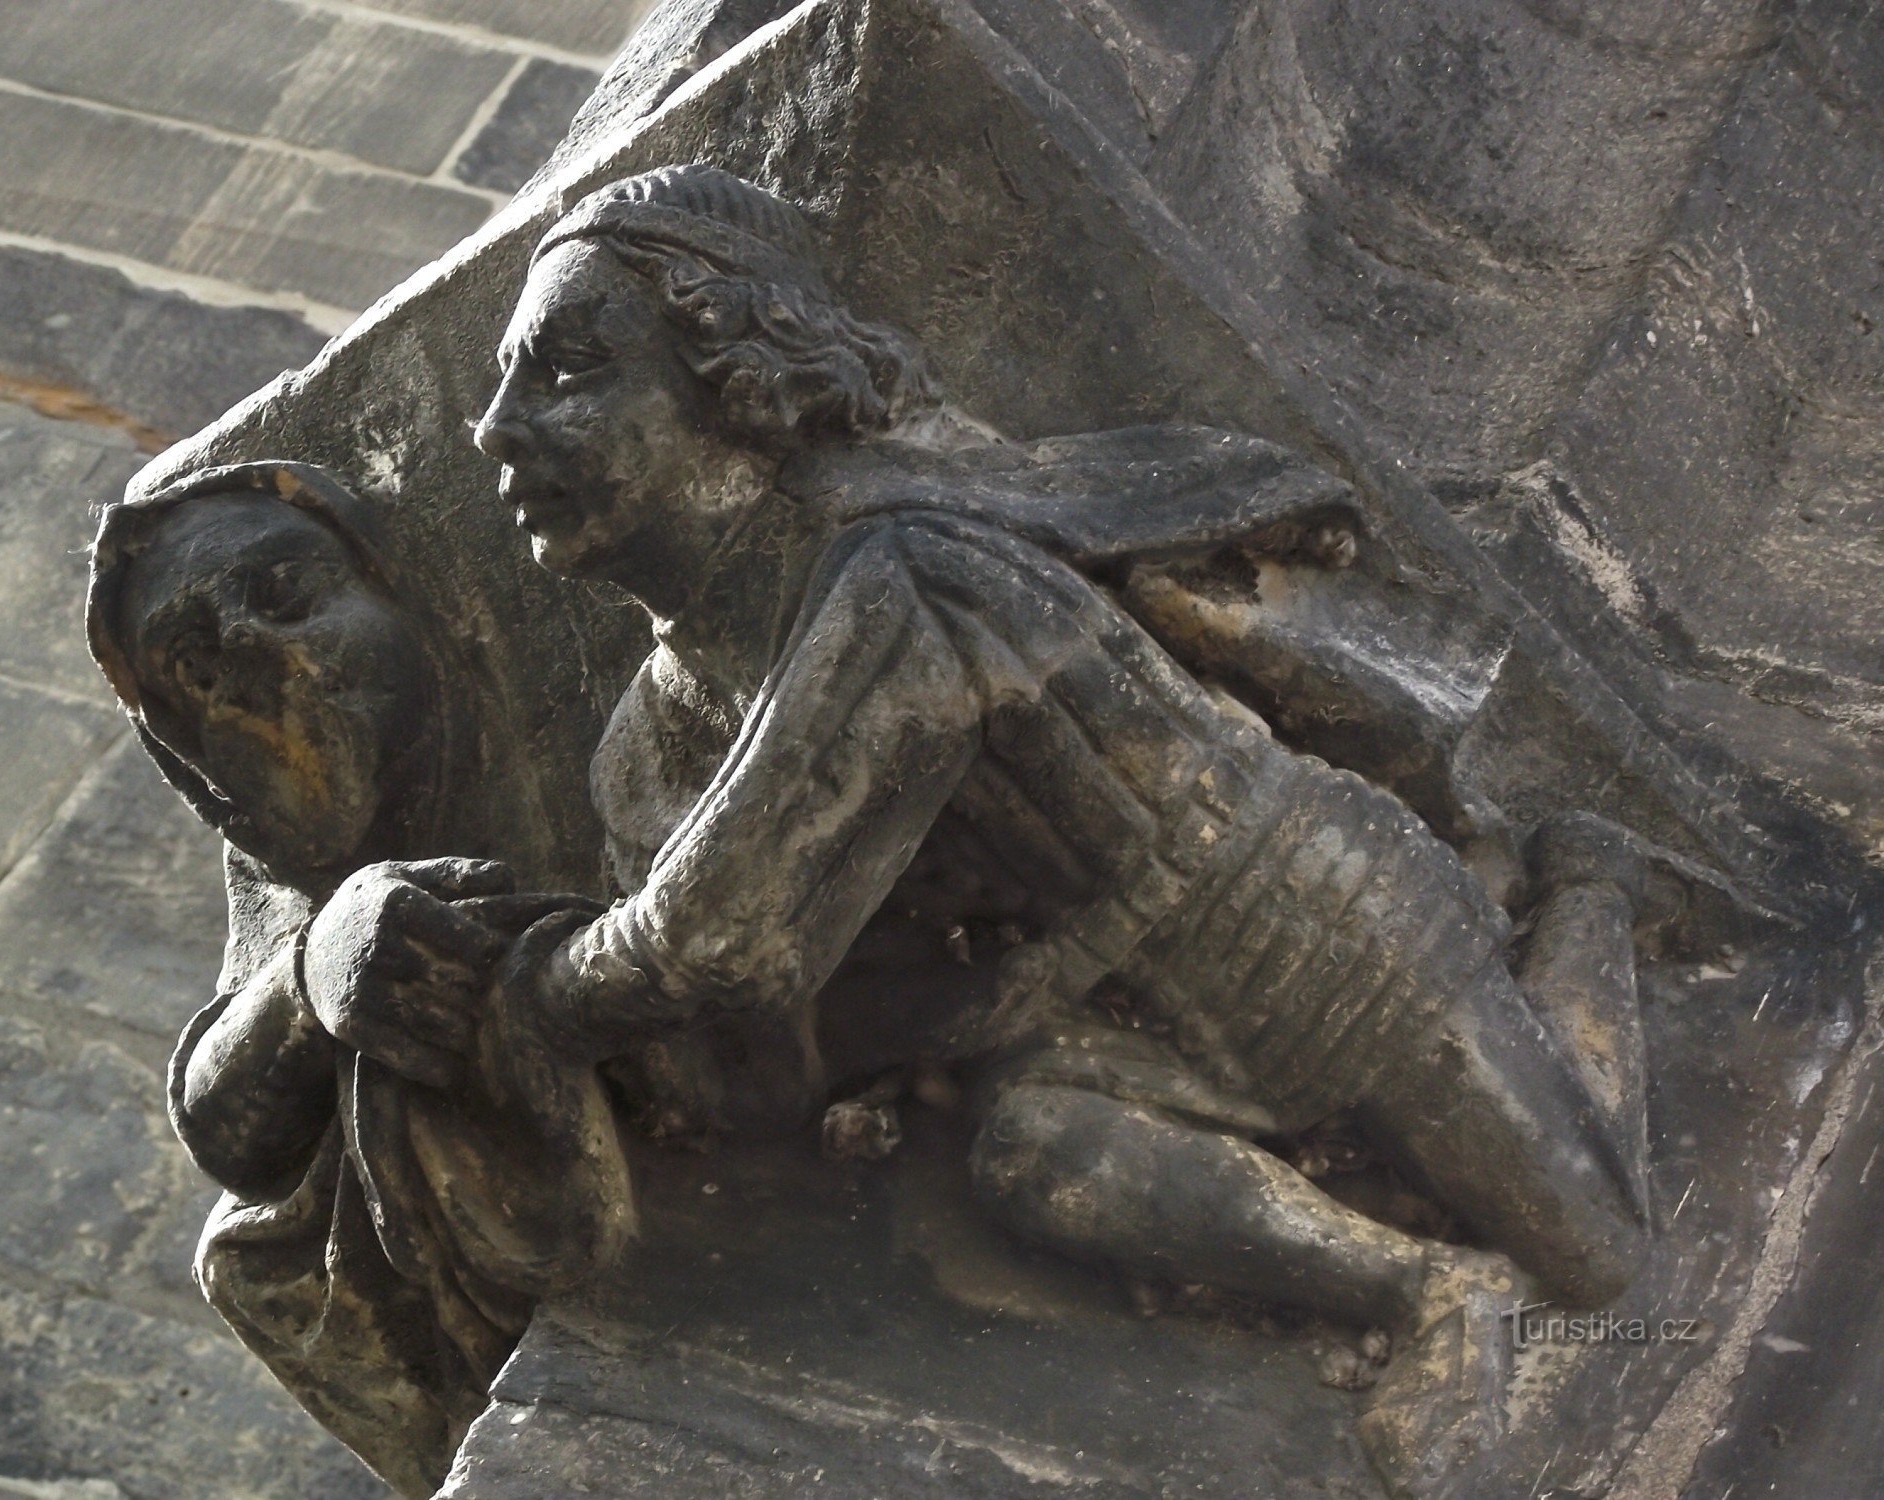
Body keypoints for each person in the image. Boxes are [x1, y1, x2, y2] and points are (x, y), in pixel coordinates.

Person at [458, 163, 1695, 1496]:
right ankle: (1430, 1294)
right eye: (505, 384)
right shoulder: (655, 740)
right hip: (1102, 1020)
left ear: (739, 383)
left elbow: (721, 936)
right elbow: (747, 1067)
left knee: (1601, 1257)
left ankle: (1587, 887)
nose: (494, 431)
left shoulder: (904, 572)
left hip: (1294, 932)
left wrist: (526, 990)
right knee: (1035, 1155)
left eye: (571, 371)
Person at [87, 462, 634, 1498]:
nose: (260, 658)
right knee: (254, 1241)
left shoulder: (578, 687)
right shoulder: (273, 839)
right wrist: (311, 966)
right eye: (198, 669)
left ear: (387, 579)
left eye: (286, 597)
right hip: (514, 1263)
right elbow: (225, 1130)